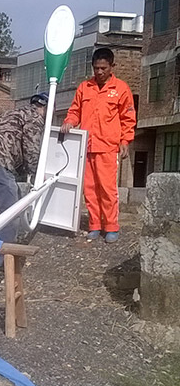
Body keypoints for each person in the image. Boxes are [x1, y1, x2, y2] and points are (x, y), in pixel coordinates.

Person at [61, 47, 136, 243]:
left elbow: (128, 118)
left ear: (112, 66)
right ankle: (94, 225)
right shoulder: (85, 87)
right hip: (86, 147)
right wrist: (69, 121)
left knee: (107, 189)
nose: (99, 72)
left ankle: (111, 226)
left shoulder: (121, 89)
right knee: (90, 188)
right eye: (96, 68)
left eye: (103, 68)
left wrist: (125, 141)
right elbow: (75, 110)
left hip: (107, 147)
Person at [0, 93, 48, 256]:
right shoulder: (34, 118)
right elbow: (31, 149)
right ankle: (1, 257)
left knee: (14, 198)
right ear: (44, 108)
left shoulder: (13, 113)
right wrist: (37, 172)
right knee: (10, 211)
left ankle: (4, 247)